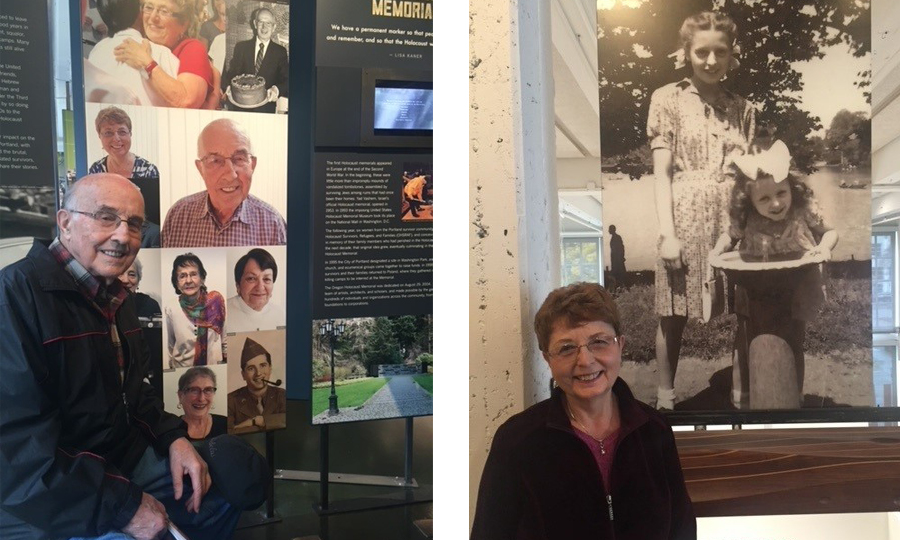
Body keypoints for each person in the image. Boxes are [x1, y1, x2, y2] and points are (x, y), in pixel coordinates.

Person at [0, 174, 242, 540]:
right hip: (54, 489)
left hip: (122, 460)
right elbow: (18, 457)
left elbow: (136, 394)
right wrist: (124, 506)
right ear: (65, 223)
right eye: (105, 217)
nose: (123, 236)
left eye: (133, 224)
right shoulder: (14, 299)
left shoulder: (117, 296)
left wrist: (174, 440)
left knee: (229, 488)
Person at [471, 282, 696, 539]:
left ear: (620, 345)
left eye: (599, 342)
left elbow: (682, 529)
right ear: (547, 359)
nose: (585, 361)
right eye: (566, 348)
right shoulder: (518, 440)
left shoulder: (655, 429)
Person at [649, 11, 756, 409]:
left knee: (742, 311)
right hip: (685, 215)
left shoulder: (743, 108)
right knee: (672, 313)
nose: (711, 61)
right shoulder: (667, 99)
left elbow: (748, 177)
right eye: (702, 52)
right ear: (687, 53)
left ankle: (740, 397)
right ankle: (665, 398)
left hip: (732, 221)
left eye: (720, 52)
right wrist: (668, 234)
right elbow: (662, 175)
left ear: (732, 56)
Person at [711, 140, 838, 406]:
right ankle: (744, 398)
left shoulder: (803, 210)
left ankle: (794, 397)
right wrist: (716, 251)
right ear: (749, 201)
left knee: (794, 340)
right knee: (748, 338)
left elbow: (830, 232)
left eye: (781, 193)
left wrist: (824, 247)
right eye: (765, 198)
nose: (776, 203)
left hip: (796, 283)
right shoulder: (746, 218)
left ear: (793, 189)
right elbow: (729, 236)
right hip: (754, 285)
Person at [162, 118, 287, 247]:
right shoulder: (178, 216)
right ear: (200, 169)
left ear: (252, 165)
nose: (230, 175)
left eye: (239, 159)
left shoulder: (273, 224)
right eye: (215, 160)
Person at [113, 0, 221, 109]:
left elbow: (187, 101)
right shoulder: (138, 44)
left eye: (164, 11)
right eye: (149, 8)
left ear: (184, 24)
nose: (153, 17)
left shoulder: (192, 48)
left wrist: (147, 63)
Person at [88, 0, 181, 107]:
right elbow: (181, 102)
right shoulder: (162, 54)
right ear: (139, 13)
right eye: (148, 8)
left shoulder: (97, 52)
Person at [221, 7, 289, 113]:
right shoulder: (241, 47)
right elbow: (232, 74)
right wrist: (228, 86)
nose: (264, 27)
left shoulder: (280, 52)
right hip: (240, 108)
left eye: (268, 23)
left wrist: (276, 89)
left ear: (274, 27)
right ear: (255, 24)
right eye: (261, 22)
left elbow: (287, 80)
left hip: (266, 110)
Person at [166, 252, 225, 368]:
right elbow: (170, 346)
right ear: (177, 283)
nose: (188, 280)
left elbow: (225, 341)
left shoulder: (216, 302)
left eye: (193, 274)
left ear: (202, 278)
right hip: (183, 371)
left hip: (213, 370)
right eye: (182, 276)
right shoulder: (171, 308)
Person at [227, 337, 287, 434]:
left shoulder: (282, 395)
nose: (258, 373)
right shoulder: (230, 401)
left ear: (270, 368)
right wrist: (270, 424)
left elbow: (291, 421)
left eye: (263, 365)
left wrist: (259, 421)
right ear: (243, 375)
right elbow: (228, 433)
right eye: (251, 368)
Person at [227, 248, 285, 332]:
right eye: (251, 278)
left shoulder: (281, 315)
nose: (260, 287)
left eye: (266, 279)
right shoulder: (222, 313)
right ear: (238, 285)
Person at [178, 366, 228, 441]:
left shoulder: (226, 425)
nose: (201, 398)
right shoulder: (171, 430)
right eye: (194, 390)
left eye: (208, 390)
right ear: (181, 395)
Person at [608, 224, 626, 289]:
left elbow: (621, 248)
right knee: (616, 275)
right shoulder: (614, 237)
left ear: (613, 230)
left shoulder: (617, 237)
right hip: (615, 259)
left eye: (610, 229)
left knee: (619, 274)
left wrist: (621, 258)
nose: (608, 231)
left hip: (617, 260)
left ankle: (621, 287)